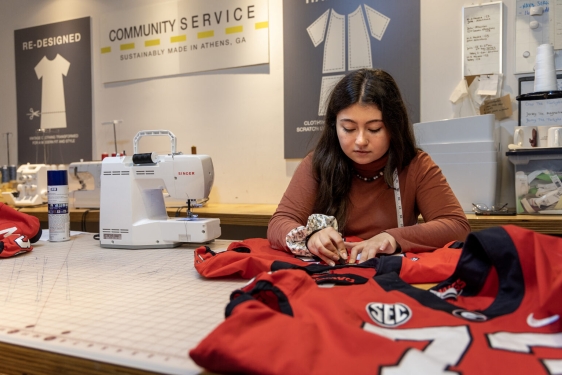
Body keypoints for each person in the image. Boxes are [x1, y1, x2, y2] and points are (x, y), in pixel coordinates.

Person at [267, 68, 470, 266]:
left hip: (389, 279)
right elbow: (280, 223)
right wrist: (310, 237)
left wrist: (392, 238)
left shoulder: (416, 165)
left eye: (374, 129)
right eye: (349, 129)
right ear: (334, 126)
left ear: (393, 127)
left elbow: (457, 226)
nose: (361, 140)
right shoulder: (317, 164)